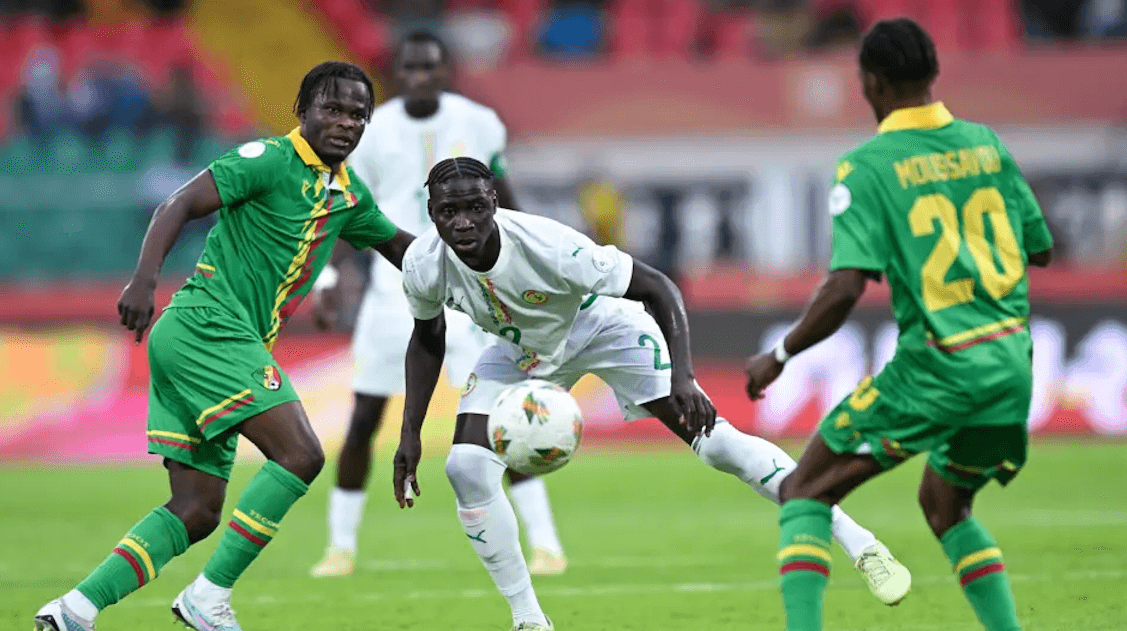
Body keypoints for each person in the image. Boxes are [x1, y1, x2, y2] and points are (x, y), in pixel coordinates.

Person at [392, 157, 912, 631]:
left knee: (720, 446)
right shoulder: (422, 263)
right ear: (432, 212)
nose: (463, 222)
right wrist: (410, 432)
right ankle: (529, 620)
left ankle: (860, 543)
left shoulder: (549, 245)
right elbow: (428, 339)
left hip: (602, 329)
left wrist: (682, 376)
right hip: (522, 354)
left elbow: (658, 287)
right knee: (465, 467)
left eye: (475, 208)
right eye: (449, 211)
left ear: (495, 205)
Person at [33, 61, 414, 631]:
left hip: (213, 339)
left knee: (196, 511)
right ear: (302, 111)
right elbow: (178, 204)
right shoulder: (267, 160)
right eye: (332, 109)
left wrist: (484, 258)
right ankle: (207, 599)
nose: (345, 122)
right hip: (208, 327)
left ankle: (73, 610)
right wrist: (143, 280)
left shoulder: (347, 195)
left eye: (357, 113)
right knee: (302, 454)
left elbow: (405, 252)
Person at [744, 19, 1054, 631]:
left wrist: (779, 354)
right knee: (945, 503)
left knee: (805, 491)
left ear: (870, 82)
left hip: (938, 364)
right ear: (934, 72)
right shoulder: (986, 144)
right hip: (1013, 365)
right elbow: (1038, 249)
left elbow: (844, 288)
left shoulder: (867, 166)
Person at [309, 30, 567, 579]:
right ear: (397, 73)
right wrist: (330, 275)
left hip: (473, 289)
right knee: (363, 420)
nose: (420, 77)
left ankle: (545, 543)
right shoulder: (372, 134)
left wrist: (531, 263)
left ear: (445, 70)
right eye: (410, 68)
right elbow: (346, 205)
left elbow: (505, 198)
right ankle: (340, 547)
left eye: (430, 67)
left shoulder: (479, 121)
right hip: (392, 288)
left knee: (506, 417)